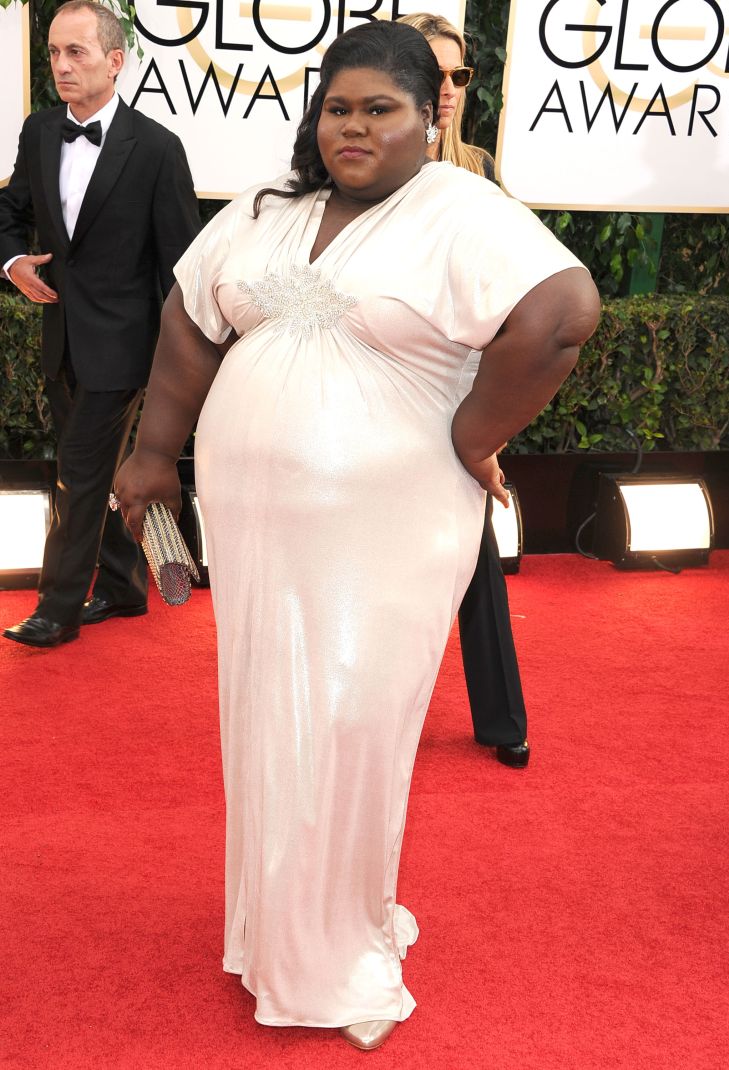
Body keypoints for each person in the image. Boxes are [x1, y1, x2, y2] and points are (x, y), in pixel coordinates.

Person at [114, 20, 599, 1050]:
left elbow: (561, 312)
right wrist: (154, 451)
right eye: (338, 106)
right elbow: (189, 322)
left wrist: (473, 433)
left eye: (381, 108)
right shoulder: (263, 208)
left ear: (429, 118)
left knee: (348, 719)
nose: (355, 126)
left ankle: (330, 943)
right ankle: (275, 931)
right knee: (272, 709)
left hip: (390, 520)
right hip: (251, 521)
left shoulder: (461, 211)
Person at [0, 0, 200, 649]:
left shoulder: (157, 150)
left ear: (115, 62)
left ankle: (57, 606)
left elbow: (181, 264)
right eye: (54, 52)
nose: (61, 64)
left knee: (78, 473)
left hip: (125, 347)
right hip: (61, 339)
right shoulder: (37, 133)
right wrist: (12, 264)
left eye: (75, 52)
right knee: (103, 471)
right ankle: (122, 584)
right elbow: (9, 210)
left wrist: (179, 366)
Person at [400, 12, 532, 769]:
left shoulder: (479, 172)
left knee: (475, 556)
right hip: (385, 391)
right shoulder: (368, 168)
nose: (448, 89)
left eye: (459, 75)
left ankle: (502, 717)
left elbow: (523, 300)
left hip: (460, 400)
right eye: (434, 73)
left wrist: (489, 424)